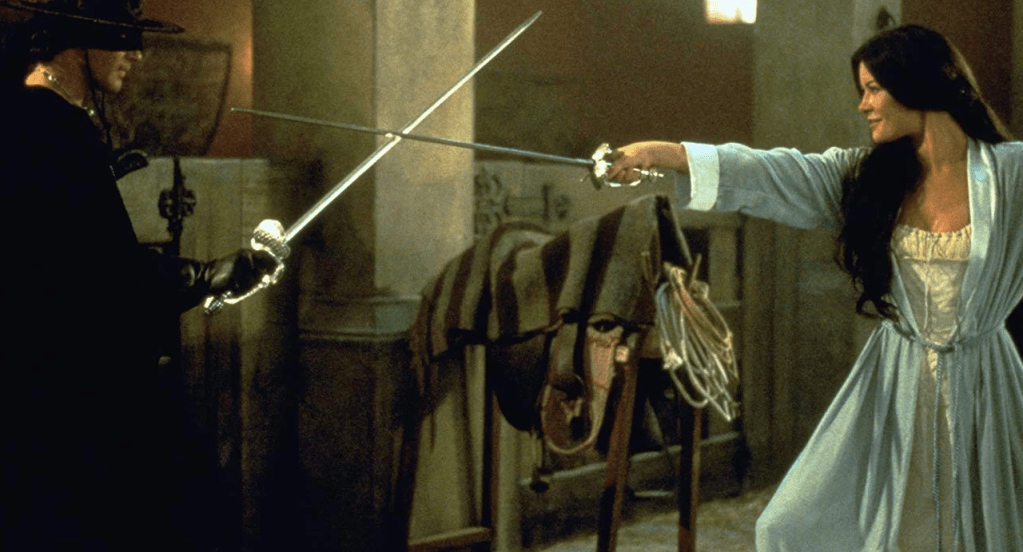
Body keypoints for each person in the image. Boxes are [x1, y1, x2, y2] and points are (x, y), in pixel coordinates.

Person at [605, 24, 1022, 551]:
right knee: (795, 524)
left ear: (915, 83)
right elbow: (771, 173)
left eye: (873, 89)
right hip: (897, 382)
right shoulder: (866, 178)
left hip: (986, 383)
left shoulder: (1010, 175)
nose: (863, 105)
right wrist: (659, 153)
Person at [0, 1, 279, 550]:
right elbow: (97, 272)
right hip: (67, 390)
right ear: (76, 38)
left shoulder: (39, 116)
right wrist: (208, 274)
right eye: (122, 36)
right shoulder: (46, 123)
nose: (137, 52)